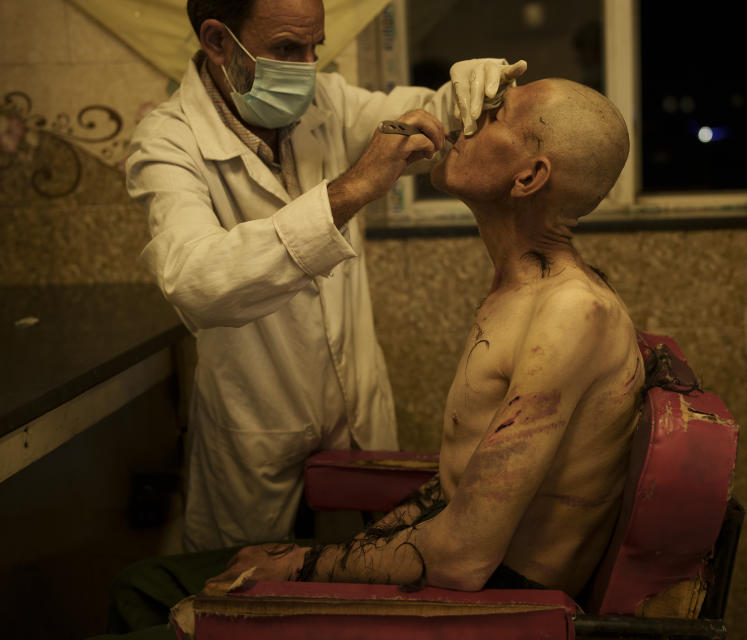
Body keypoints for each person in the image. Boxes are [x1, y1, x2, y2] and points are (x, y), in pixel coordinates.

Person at [202, 77, 643, 599]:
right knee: (157, 582)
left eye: (495, 116)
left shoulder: (570, 314)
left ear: (529, 177)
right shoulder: (521, 290)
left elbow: (462, 558)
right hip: (456, 586)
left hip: (490, 615)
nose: (470, 119)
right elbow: (453, 491)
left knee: (143, 588)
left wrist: (299, 563)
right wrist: (355, 546)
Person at [126, 0, 526, 552]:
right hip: (254, 421)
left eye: (316, 47)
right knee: (243, 591)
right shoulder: (168, 141)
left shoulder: (327, 102)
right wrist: (355, 187)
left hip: (355, 406)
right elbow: (196, 282)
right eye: (287, 49)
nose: (308, 68)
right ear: (218, 41)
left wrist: (463, 93)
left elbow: (420, 116)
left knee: (365, 570)